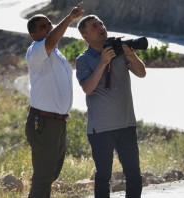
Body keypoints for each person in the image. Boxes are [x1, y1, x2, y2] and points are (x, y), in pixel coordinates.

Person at [76, 15, 146, 198]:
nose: (101, 27)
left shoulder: (119, 51)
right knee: (103, 177)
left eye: (101, 23)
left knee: (134, 175)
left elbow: (141, 73)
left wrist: (131, 54)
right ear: (85, 36)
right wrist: (103, 62)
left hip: (126, 124)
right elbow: (88, 88)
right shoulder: (83, 60)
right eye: (94, 26)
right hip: (100, 129)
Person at [24, 2, 84, 198]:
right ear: (33, 35)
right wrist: (69, 18)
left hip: (57, 122)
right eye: (43, 26)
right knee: (43, 177)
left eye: (49, 23)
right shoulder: (36, 51)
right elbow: (50, 40)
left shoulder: (55, 54)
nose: (49, 27)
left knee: (51, 174)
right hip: (44, 122)